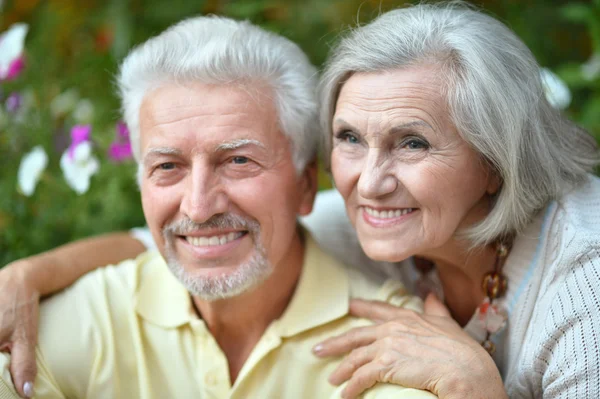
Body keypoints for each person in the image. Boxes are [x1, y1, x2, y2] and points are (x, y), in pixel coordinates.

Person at [3, 2, 600, 398]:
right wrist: (25, 276)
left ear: (496, 162)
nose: (368, 182)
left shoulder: (586, 290)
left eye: (412, 143)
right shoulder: (370, 222)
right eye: (349, 139)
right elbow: (189, 233)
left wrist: (480, 388)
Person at [0, 15, 436, 399]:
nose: (199, 206)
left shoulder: (393, 345)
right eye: (168, 165)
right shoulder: (87, 314)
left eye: (239, 161)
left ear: (305, 185)